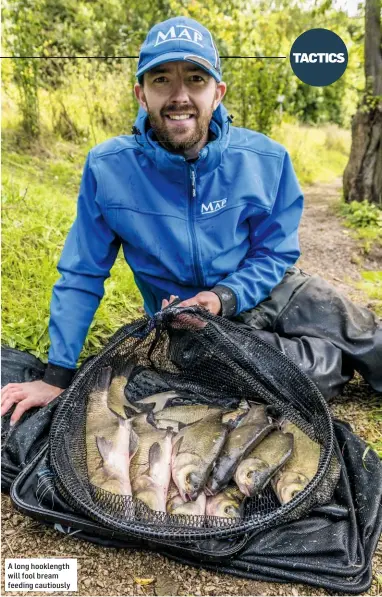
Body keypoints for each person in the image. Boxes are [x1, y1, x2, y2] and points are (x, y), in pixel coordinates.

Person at [2, 16, 381, 425]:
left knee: (358, 327)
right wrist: (57, 375)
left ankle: (333, 343)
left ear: (217, 93)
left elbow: (274, 251)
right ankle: (330, 360)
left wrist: (226, 295)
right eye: (162, 79)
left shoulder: (268, 159)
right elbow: (81, 274)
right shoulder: (107, 168)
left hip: (269, 285)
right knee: (309, 379)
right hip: (188, 320)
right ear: (141, 94)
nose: (179, 96)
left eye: (196, 79)